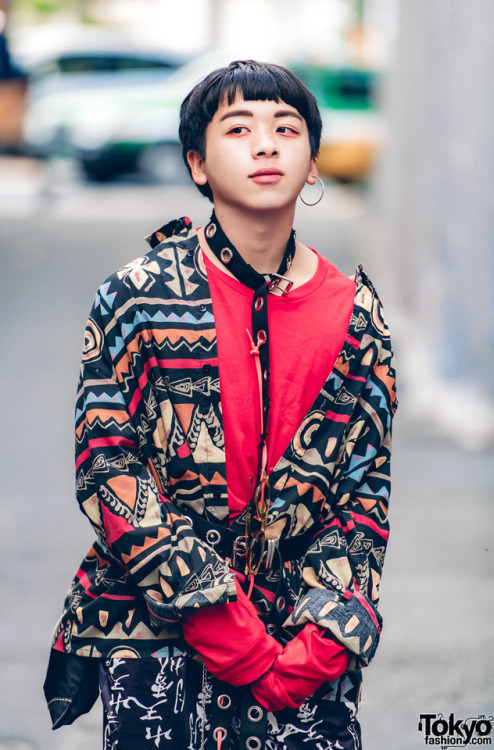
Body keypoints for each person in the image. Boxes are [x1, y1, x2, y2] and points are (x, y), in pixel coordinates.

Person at [44, 59, 397, 750]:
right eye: (239, 128)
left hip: (300, 630)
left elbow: (364, 497)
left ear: (314, 165)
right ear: (198, 165)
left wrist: (320, 644)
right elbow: (109, 465)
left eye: (286, 128)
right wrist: (213, 616)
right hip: (156, 627)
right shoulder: (138, 296)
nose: (266, 144)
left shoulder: (358, 317)